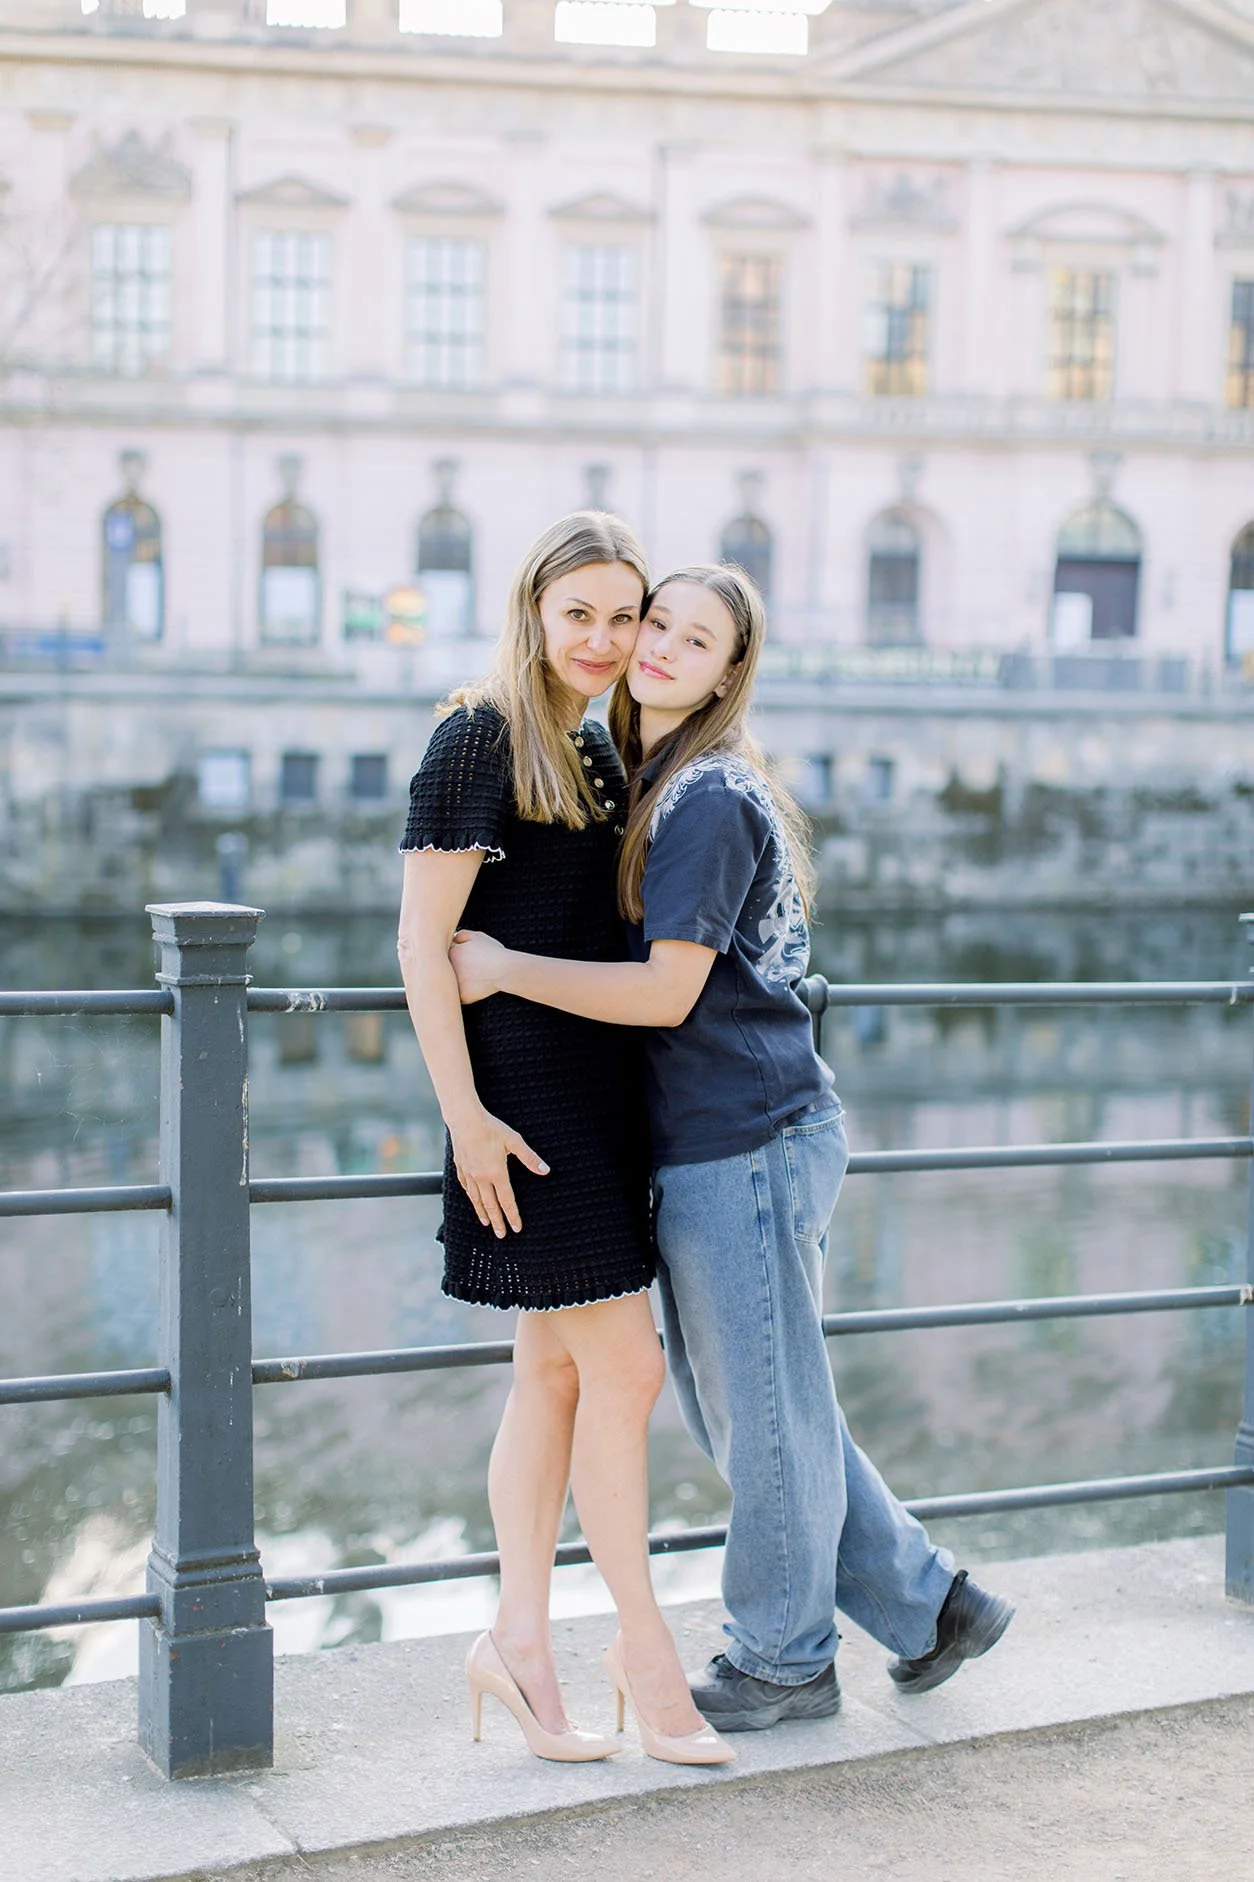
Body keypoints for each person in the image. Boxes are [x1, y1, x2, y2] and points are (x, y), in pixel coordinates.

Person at [449, 563, 1015, 1732]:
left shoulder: (704, 797)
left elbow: (664, 995)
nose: (655, 648)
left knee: (760, 1412)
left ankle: (783, 1657)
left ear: (725, 673)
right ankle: (931, 1606)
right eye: (655, 622)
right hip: (722, 1138)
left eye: (691, 641)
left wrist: (499, 968)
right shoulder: (655, 776)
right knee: (767, 1405)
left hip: (745, 1138)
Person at [396, 515, 732, 1766]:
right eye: (578, 612)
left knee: (554, 1375)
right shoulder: (478, 731)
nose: (603, 639)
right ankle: (643, 1653)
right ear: (534, 606)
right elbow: (421, 944)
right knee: (628, 1372)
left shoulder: (591, 746)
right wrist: (463, 1116)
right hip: (521, 1105)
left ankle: (518, 1644)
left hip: (592, 1094)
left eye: (624, 615)